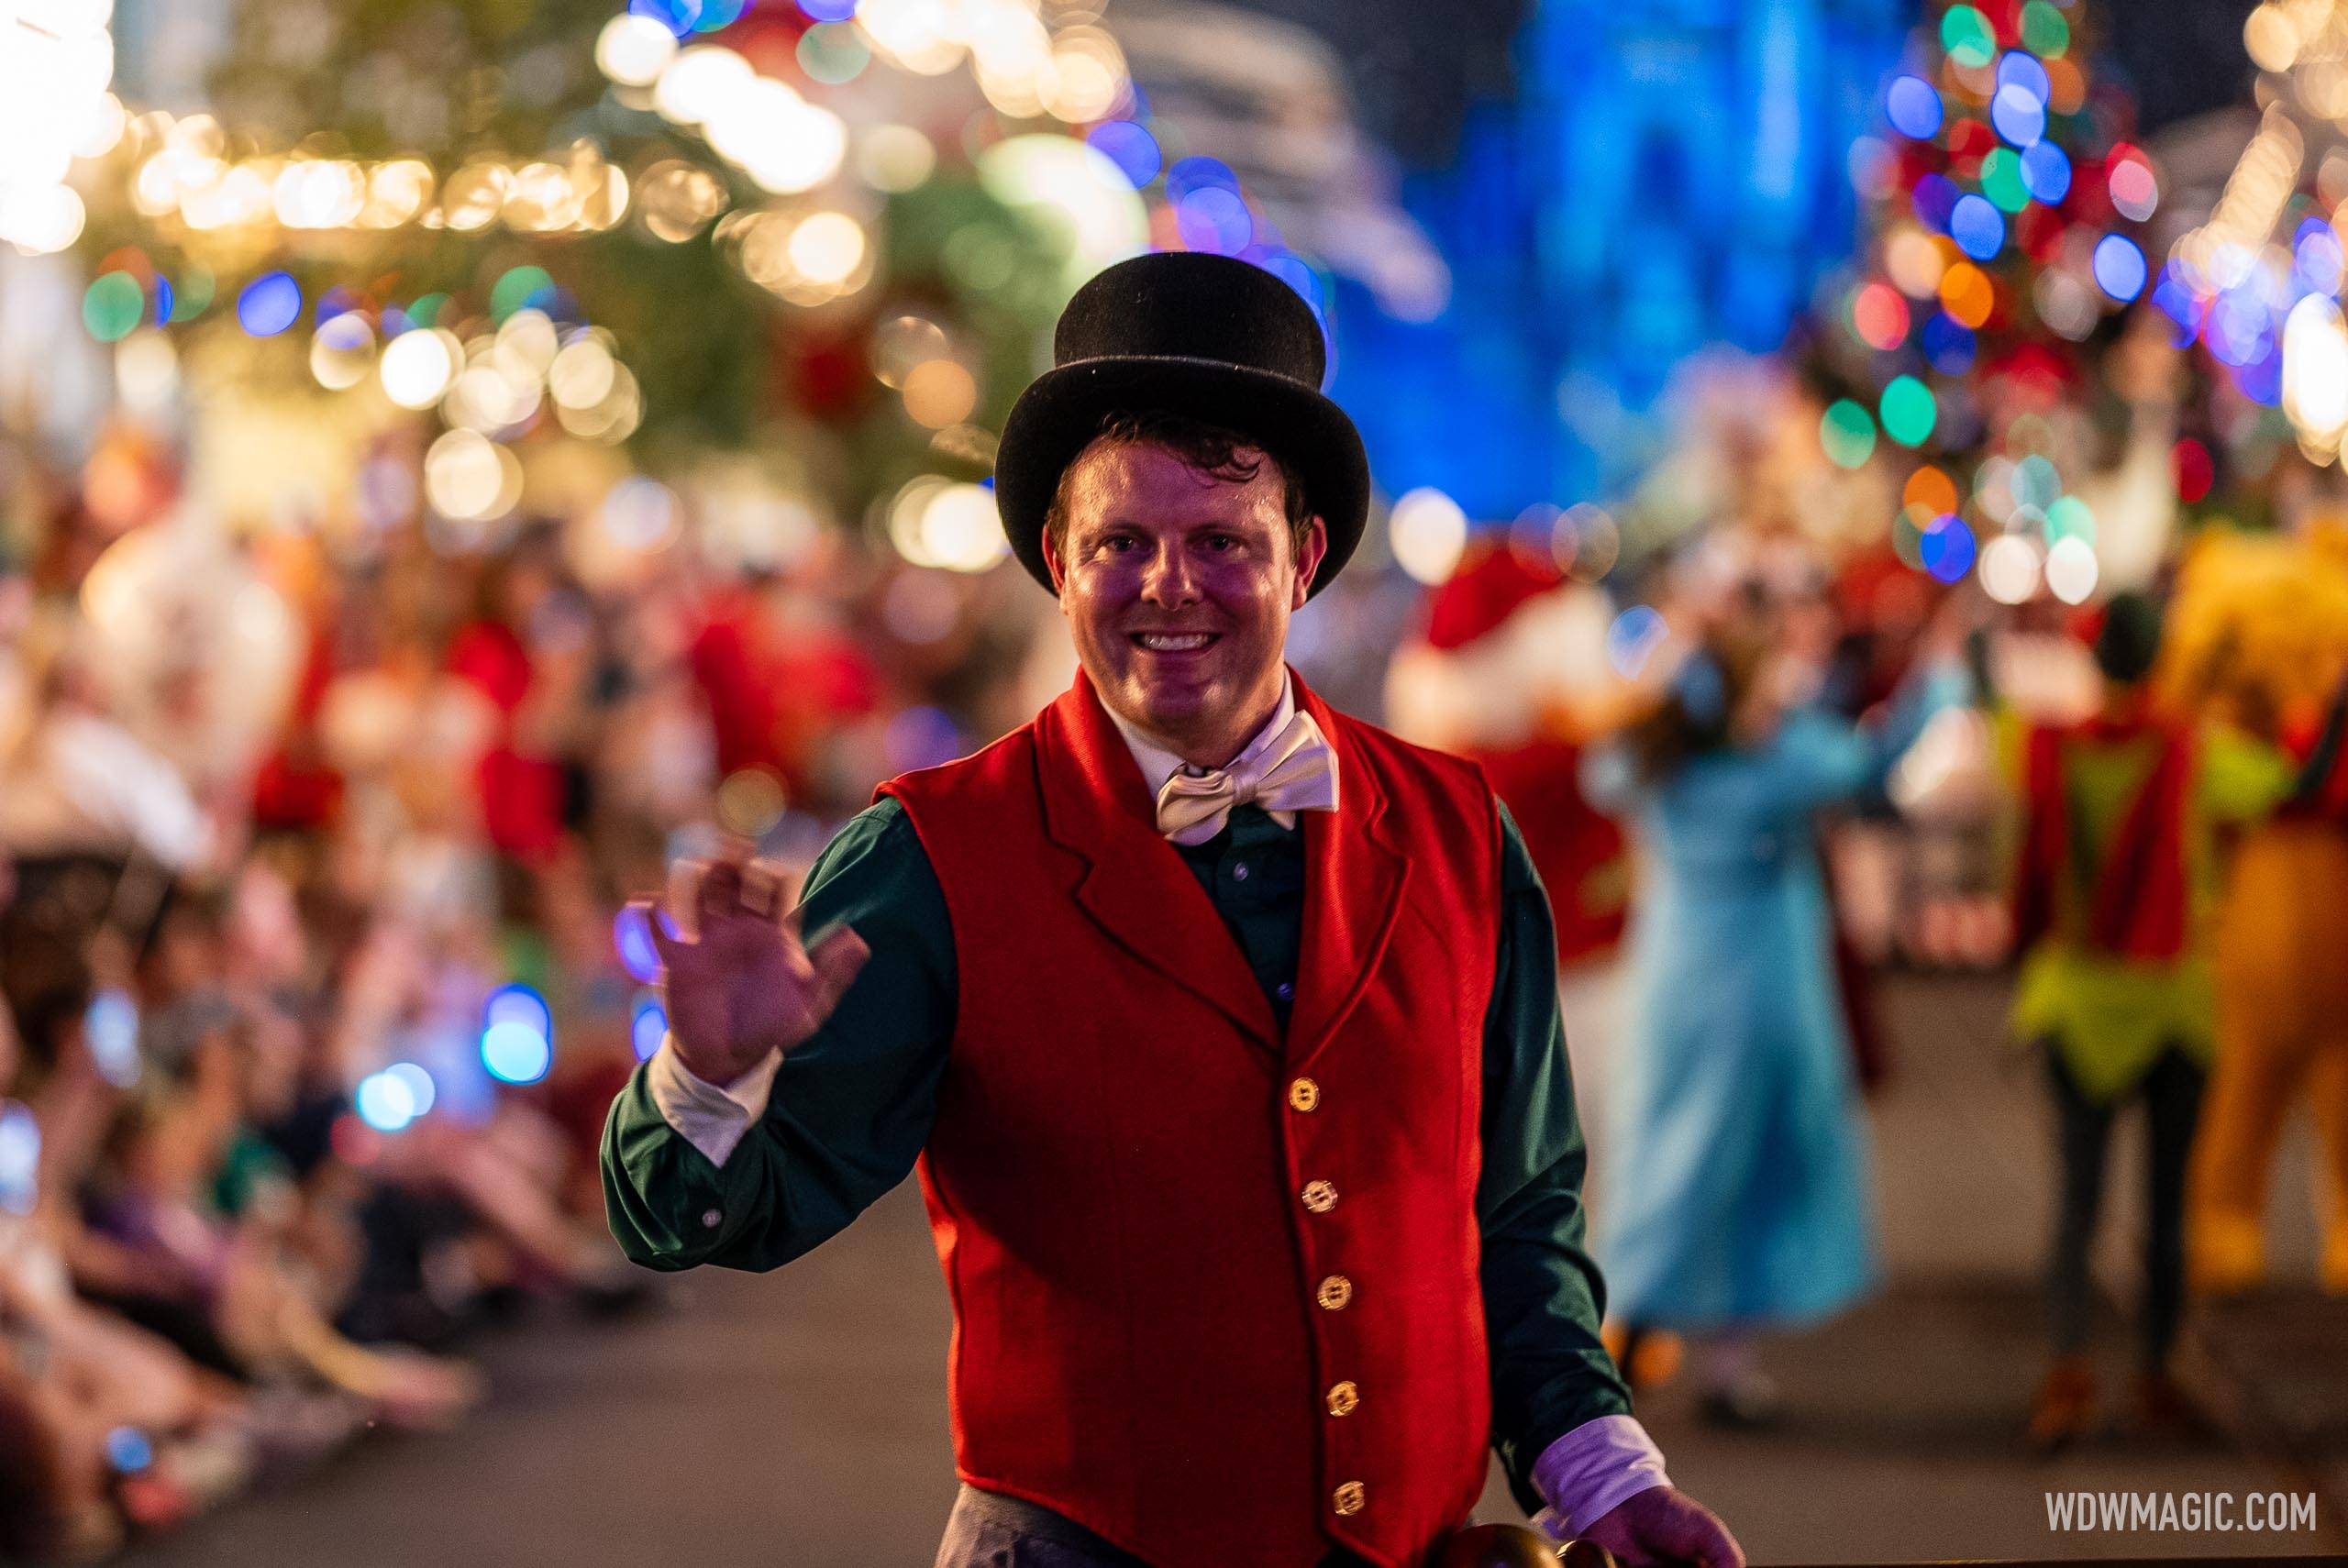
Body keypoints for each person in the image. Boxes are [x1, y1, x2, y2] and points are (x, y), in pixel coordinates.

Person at [603, 254, 1741, 1568]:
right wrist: (709, 1072)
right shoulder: (930, 854)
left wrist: (1601, 1471)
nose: (1169, 585)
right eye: (1120, 543)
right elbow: (706, 1217)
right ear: (1055, 560)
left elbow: (1518, 1213)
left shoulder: (1461, 830)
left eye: (1221, 541)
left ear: (1304, 557)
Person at [1589, 553, 1971, 1427]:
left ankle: (1622, 1326)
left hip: (1673, 977)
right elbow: (1872, 764)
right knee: (1757, 1172)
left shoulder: (1660, 761)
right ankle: (1727, 1365)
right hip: (1767, 984)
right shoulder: (1786, 762)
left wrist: (1667, 684)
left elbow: (1602, 769)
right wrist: (1941, 678)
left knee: (1663, 1156)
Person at [2007, 593, 2316, 1448]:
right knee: (2168, 1208)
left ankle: (2067, 1373)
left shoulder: (2046, 746)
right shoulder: (2199, 752)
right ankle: (2156, 1374)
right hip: (2175, 1007)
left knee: (2076, 1203)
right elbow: (2293, 786)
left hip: (2073, 1003)